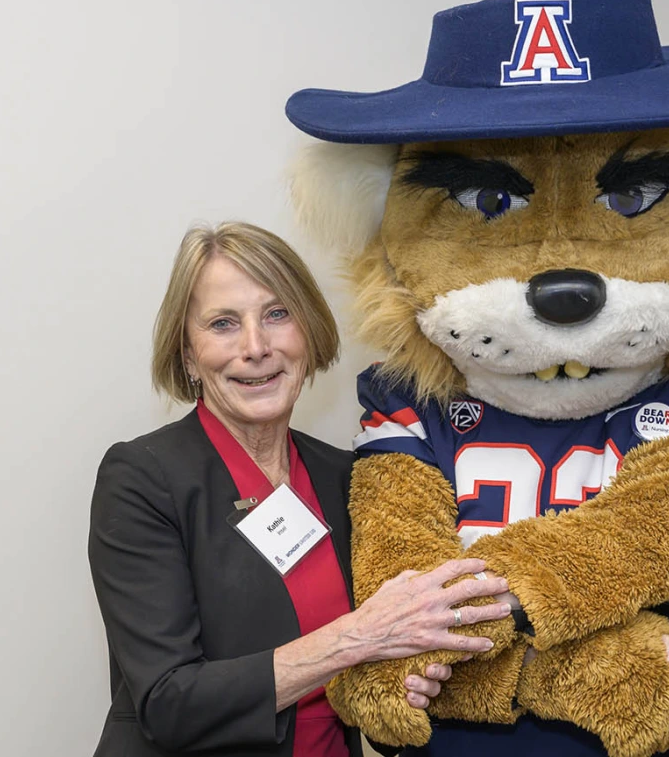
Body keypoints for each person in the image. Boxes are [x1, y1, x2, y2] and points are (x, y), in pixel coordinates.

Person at [88, 222, 514, 757]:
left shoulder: (346, 474)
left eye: (276, 314)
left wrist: (400, 687)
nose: (256, 347)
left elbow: (376, 669)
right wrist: (359, 637)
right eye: (223, 324)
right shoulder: (144, 478)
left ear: (307, 331)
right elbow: (169, 704)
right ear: (189, 355)